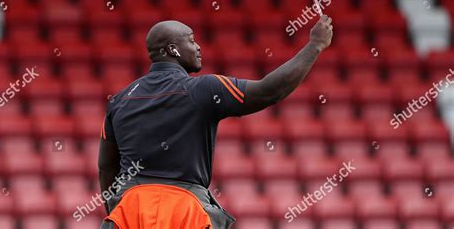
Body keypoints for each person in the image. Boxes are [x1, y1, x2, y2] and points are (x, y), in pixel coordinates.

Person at [99, 16, 333, 229]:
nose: (198, 47)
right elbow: (269, 91)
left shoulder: (119, 100)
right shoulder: (202, 89)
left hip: (128, 211)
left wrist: (116, 209)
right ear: (173, 50)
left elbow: (106, 167)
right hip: (185, 211)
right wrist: (315, 45)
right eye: (191, 41)